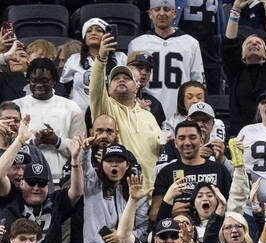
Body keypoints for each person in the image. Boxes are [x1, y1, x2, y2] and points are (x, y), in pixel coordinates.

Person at [90, 32, 162, 186]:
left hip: (149, 189)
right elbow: (95, 89)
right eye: (115, 78)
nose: (121, 79)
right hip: (121, 189)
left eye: (127, 78)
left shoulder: (148, 116)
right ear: (108, 89)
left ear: (137, 86)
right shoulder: (106, 109)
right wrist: (102, 58)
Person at [129, 0, 205, 122]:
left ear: (174, 13)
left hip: (180, 115)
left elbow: (198, 83)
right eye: (157, 9)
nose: (162, 13)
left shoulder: (191, 44)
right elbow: (131, 82)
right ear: (150, 14)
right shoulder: (137, 44)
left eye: (166, 9)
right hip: (145, 112)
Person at [14, 57, 85, 182]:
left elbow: (82, 149)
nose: (39, 85)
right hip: (24, 180)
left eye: (45, 81)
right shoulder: (16, 106)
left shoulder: (72, 108)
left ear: (54, 81)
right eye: (34, 81)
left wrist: (56, 141)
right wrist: (33, 143)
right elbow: (6, 146)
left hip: (61, 181)